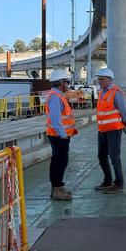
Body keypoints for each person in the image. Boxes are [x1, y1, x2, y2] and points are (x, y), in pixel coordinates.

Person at [94, 67, 126, 194]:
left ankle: (119, 183)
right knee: (102, 156)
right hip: (102, 130)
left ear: (109, 79)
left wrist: (124, 124)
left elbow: (124, 113)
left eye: (102, 79)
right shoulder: (102, 91)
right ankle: (108, 181)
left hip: (114, 130)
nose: (99, 81)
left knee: (115, 157)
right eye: (99, 79)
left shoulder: (116, 92)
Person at [45, 69, 77, 201]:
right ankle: (57, 190)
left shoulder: (57, 95)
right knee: (60, 162)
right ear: (61, 83)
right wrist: (63, 134)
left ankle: (57, 188)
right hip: (59, 136)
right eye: (67, 82)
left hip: (58, 135)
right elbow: (55, 118)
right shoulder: (55, 96)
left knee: (59, 162)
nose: (68, 85)